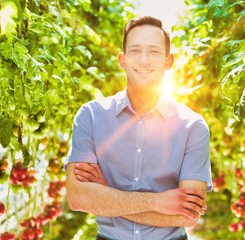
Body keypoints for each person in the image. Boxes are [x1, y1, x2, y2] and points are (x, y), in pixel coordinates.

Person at [65, 16, 212, 240]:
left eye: (154, 51)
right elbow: (78, 198)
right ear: (122, 60)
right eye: (135, 51)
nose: (144, 60)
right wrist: (157, 202)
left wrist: (108, 195)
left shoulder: (193, 126)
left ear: (169, 60)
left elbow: (187, 216)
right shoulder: (90, 116)